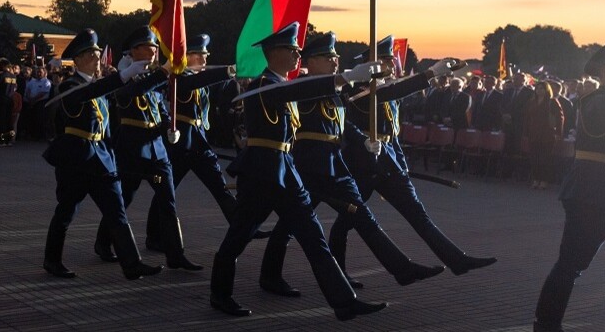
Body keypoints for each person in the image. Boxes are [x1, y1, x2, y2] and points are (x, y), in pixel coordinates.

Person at [210, 22, 387, 320]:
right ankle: (219, 293)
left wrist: (346, 80)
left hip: (287, 172)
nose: (297, 55)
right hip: (261, 175)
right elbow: (298, 89)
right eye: (292, 49)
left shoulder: (283, 85)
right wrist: (344, 77)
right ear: (275, 53)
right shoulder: (265, 86)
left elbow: (301, 90)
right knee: (239, 236)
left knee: (313, 237)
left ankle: (344, 301)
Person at [257, 31, 445, 297]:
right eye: (328, 57)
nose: (335, 61)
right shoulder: (300, 86)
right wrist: (346, 78)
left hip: (334, 167)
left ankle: (402, 269)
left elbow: (345, 123)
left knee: (364, 218)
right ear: (310, 61)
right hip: (308, 169)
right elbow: (310, 95)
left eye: (335, 57)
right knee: (289, 225)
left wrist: (364, 140)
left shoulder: (332, 89)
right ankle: (270, 275)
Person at [329, 36, 497, 282]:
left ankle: (456, 260)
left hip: (389, 161)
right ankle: (338, 274)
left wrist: (401, 163)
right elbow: (387, 94)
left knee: (418, 215)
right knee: (348, 220)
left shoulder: (387, 90)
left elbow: (392, 131)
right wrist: (430, 74)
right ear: (369, 64)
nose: (391, 64)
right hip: (362, 162)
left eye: (391, 59)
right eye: (385, 60)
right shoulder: (358, 90)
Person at [533, 36, 605, 332]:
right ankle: (546, 324)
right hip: (591, 198)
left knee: (570, 266)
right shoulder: (593, 102)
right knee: (570, 265)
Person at [41, 28, 162, 280]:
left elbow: (108, 120)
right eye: (92, 54)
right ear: (78, 60)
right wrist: (125, 74)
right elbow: (89, 94)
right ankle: (52, 260)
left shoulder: (98, 87)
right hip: (77, 160)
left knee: (116, 210)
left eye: (98, 53)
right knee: (66, 212)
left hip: (101, 159)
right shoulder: (70, 86)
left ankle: (132, 263)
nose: (98, 58)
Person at [92, 26, 202, 271]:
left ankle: (175, 254)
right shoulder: (125, 75)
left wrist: (169, 127)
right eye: (148, 47)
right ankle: (103, 243)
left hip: (157, 150)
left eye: (154, 47)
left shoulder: (152, 76)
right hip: (132, 149)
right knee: (124, 199)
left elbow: (157, 106)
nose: (154, 51)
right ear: (134, 51)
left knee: (168, 201)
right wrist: (162, 73)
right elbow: (130, 94)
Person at [143, 33, 250, 252]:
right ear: (187, 56)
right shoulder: (178, 78)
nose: (205, 58)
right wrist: (226, 71)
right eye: (200, 54)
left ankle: (243, 226)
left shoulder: (195, 78)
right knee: (167, 191)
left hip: (199, 142)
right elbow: (194, 83)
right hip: (180, 145)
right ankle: (154, 236)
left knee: (220, 188)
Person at [525, 82, 564, 189]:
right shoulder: (532, 102)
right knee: (534, 158)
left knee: (545, 158)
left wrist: (558, 133)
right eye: (537, 88)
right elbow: (527, 118)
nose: (539, 91)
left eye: (542, 89)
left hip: (547, 134)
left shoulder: (552, 102)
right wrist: (526, 132)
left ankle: (544, 180)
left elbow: (560, 118)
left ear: (546, 90)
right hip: (534, 133)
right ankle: (536, 179)